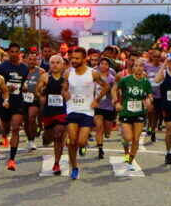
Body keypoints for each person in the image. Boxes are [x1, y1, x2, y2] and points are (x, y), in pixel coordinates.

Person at [62, 47, 108, 179]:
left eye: (77, 58)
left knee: (81, 141)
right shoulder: (68, 73)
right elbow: (64, 88)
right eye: (72, 58)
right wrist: (65, 93)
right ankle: (74, 167)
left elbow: (106, 87)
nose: (73, 60)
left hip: (87, 110)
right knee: (71, 140)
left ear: (84, 59)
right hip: (72, 109)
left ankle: (83, 145)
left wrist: (97, 100)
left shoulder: (93, 73)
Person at [112, 59, 153, 171]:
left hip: (139, 113)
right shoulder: (125, 80)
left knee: (136, 139)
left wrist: (149, 101)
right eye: (136, 65)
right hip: (126, 112)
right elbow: (115, 88)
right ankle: (126, 150)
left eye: (141, 66)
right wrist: (116, 102)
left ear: (143, 68)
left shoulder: (146, 82)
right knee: (128, 138)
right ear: (133, 67)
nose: (138, 68)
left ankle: (130, 160)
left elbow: (150, 95)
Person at [0, 43, 29, 170]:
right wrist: (5, 88)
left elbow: (23, 83)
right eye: (12, 51)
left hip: (18, 102)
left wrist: (24, 87)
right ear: (8, 53)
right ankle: (4, 137)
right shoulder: (1, 68)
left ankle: (12, 159)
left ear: (20, 53)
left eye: (17, 51)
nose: (14, 54)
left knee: (15, 128)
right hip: (5, 101)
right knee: (5, 128)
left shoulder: (24, 68)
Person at [37, 54, 67, 175]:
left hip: (62, 111)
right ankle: (46, 135)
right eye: (52, 62)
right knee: (48, 137)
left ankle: (57, 163)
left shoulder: (67, 77)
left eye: (57, 62)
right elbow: (38, 91)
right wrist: (41, 96)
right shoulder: (45, 77)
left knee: (58, 135)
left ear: (62, 65)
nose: (55, 65)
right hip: (49, 111)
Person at [93, 57, 116, 160]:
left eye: (106, 64)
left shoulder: (111, 78)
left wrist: (115, 99)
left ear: (109, 66)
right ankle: (100, 148)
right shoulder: (94, 76)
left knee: (107, 131)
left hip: (108, 106)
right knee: (98, 127)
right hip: (97, 106)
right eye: (101, 63)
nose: (103, 66)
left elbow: (115, 91)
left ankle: (106, 134)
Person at [23, 52, 45, 151]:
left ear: (37, 61)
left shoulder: (41, 72)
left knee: (31, 117)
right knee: (26, 121)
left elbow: (45, 85)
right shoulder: (21, 70)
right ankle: (30, 139)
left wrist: (40, 92)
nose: (32, 61)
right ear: (26, 60)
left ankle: (32, 139)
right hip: (23, 98)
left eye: (34, 59)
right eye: (30, 59)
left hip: (35, 98)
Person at [144, 49, 163, 142]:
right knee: (150, 110)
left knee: (156, 113)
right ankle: (150, 125)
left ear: (160, 58)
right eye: (154, 56)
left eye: (158, 57)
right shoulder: (147, 66)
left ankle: (153, 129)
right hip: (149, 93)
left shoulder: (163, 67)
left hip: (160, 94)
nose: (156, 58)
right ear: (152, 57)